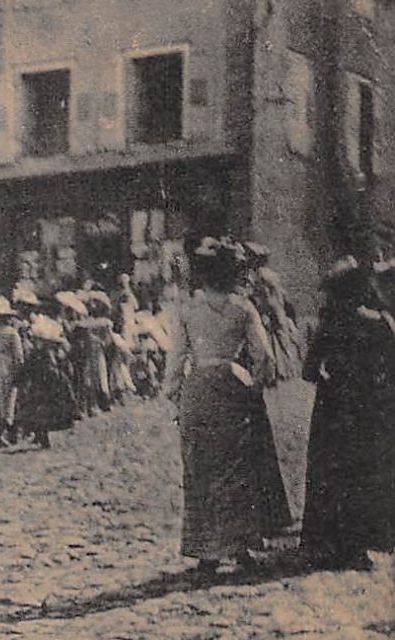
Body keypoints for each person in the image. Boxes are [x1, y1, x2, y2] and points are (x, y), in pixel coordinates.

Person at [162, 237, 292, 576]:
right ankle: (239, 545)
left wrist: (175, 393)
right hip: (233, 385)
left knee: (200, 468)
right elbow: (264, 357)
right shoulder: (243, 308)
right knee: (237, 468)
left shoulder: (188, 309)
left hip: (199, 386)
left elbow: (176, 358)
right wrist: (253, 384)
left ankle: (206, 551)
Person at [300, 257, 395, 571]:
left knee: (331, 472)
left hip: (334, 406)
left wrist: (332, 378)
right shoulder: (381, 322)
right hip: (371, 406)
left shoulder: (330, 323)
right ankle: (361, 545)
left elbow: (309, 371)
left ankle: (327, 542)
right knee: (367, 473)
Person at [15, 316, 79, 449]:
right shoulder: (51, 352)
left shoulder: (41, 353)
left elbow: (31, 368)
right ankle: (41, 437)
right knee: (41, 411)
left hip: (44, 384)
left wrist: (22, 379)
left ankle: (42, 437)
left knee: (41, 411)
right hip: (47, 384)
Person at [0, 297, 25, 446]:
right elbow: (18, 355)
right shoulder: (12, 333)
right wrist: (19, 369)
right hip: (6, 368)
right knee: (9, 400)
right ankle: (6, 433)